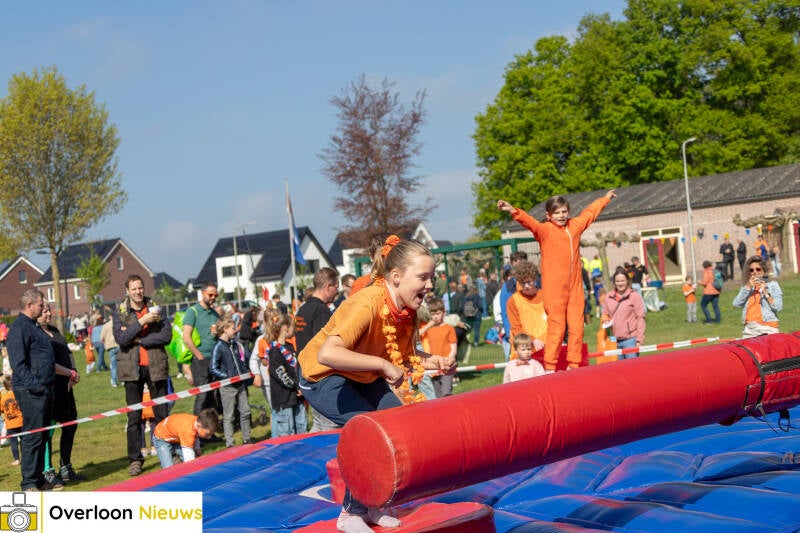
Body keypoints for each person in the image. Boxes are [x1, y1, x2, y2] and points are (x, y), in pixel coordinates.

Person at [297, 236, 453, 532]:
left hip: (361, 373)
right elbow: (328, 354)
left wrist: (436, 361)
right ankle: (350, 514)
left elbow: (404, 356)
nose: (430, 285)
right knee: (369, 430)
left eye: (431, 277)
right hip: (321, 376)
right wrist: (382, 365)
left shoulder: (406, 312)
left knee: (395, 425)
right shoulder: (366, 303)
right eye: (423, 277)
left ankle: (372, 506)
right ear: (396, 277)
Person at [497, 191, 615, 372]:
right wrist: (513, 210)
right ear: (548, 215)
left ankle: (574, 364)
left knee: (577, 326)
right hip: (554, 290)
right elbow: (530, 223)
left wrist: (605, 199)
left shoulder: (574, 226)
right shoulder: (545, 231)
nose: (561, 216)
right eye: (557, 213)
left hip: (575, 288)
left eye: (564, 212)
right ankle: (550, 366)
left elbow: (590, 213)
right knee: (557, 327)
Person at [112, 275, 173, 476]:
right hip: (131, 370)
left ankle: (169, 451)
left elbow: (166, 336)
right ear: (127, 291)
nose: (138, 292)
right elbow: (121, 338)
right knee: (134, 417)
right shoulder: (120, 312)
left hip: (156, 366)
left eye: (140, 288)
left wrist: (141, 341)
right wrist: (142, 321)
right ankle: (135, 459)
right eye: (134, 289)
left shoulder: (156, 308)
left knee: (161, 413)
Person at [7, 289, 58, 491]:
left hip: (45, 389)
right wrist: (36, 386)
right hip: (31, 391)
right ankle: (28, 482)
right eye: (40, 304)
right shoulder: (19, 328)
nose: (42, 307)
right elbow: (18, 364)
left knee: (43, 436)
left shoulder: (34, 326)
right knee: (32, 436)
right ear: (30, 305)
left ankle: (38, 479)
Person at [38, 302, 86, 486]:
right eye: (44, 311)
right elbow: (47, 364)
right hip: (50, 390)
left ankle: (65, 467)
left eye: (49, 310)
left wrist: (73, 371)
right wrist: (68, 373)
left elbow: (68, 354)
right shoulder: (38, 335)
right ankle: (47, 470)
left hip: (66, 388)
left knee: (70, 425)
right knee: (48, 432)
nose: (48, 313)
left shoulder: (55, 332)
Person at [294, 267, 341, 433]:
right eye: (336, 287)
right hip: (320, 376)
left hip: (305, 373)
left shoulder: (303, 310)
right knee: (330, 426)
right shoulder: (321, 311)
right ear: (328, 286)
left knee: (318, 424)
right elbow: (325, 346)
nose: (337, 292)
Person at [210, 316, 252, 447]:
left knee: (245, 411)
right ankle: (230, 443)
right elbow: (213, 368)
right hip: (228, 386)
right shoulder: (218, 346)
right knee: (229, 415)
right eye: (233, 328)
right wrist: (227, 377)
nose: (235, 330)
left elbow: (240, 360)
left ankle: (247, 439)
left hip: (241, 384)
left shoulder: (234, 344)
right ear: (225, 329)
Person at [183, 281, 221, 418]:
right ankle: (196, 429)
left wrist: (218, 333)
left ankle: (210, 430)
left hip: (214, 359)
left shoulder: (214, 314)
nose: (213, 297)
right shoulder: (192, 312)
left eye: (215, 295)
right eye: (210, 294)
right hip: (201, 360)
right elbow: (186, 337)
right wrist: (199, 356)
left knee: (214, 395)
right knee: (203, 395)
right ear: (202, 293)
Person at [266, 313, 306, 437]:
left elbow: (296, 368)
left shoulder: (289, 346)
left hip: (297, 397)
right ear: (285, 328)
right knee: (287, 432)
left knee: (301, 427)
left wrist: (300, 385)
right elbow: (281, 375)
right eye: (292, 327)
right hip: (284, 399)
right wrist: (296, 387)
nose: (294, 330)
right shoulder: (274, 351)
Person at [506, 260, 548, 364]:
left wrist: (546, 340)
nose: (526, 286)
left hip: (547, 345)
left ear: (534, 279)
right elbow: (516, 328)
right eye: (522, 283)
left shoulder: (546, 296)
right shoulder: (513, 301)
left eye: (529, 282)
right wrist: (533, 340)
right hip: (524, 349)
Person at [732, 255, 783, 338]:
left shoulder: (773, 285)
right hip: (749, 330)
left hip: (767, 328)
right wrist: (748, 287)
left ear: (763, 270)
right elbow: (736, 304)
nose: (755, 272)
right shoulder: (747, 287)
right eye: (751, 270)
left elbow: (778, 307)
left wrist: (766, 292)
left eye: (758, 269)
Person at [152, 409, 219, 469]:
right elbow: (189, 460)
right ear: (199, 425)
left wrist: (197, 449)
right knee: (169, 469)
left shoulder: (196, 421)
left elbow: (195, 436)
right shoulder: (188, 430)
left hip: (176, 436)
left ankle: (175, 459)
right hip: (161, 438)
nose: (209, 437)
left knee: (194, 458)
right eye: (207, 434)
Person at [601, 267, 646, 358]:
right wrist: (605, 320)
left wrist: (639, 340)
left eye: (622, 281)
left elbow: (640, 318)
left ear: (627, 281)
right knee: (617, 371)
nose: (620, 283)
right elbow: (605, 313)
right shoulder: (608, 297)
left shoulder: (634, 296)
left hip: (630, 340)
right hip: (613, 341)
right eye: (617, 281)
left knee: (632, 369)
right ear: (614, 282)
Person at [419, 298, 457, 398]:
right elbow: (418, 335)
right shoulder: (429, 329)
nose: (435, 317)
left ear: (444, 313)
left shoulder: (449, 328)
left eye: (438, 313)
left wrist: (451, 358)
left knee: (446, 393)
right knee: (438, 395)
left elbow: (453, 347)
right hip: (433, 366)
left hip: (447, 365)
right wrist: (429, 325)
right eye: (433, 314)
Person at [1, 376, 22, 466]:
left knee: (13, 443)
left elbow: (1, 409)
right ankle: (25, 457)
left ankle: (17, 459)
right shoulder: (19, 394)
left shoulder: (3, 398)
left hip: (10, 424)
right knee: (24, 440)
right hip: (21, 422)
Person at [698, 260, 721, 324]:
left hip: (708, 292)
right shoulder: (716, 271)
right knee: (715, 306)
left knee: (703, 305)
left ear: (704, 266)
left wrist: (699, 282)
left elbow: (705, 282)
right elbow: (720, 281)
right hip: (716, 291)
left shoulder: (706, 271)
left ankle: (709, 320)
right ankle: (718, 320)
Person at [100, 315, 120, 387]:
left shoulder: (105, 326)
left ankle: (114, 382)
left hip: (110, 346)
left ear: (110, 317)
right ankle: (123, 380)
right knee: (121, 364)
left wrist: (105, 342)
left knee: (113, 365)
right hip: (119, 345)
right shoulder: (119, 324)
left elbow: (101, 338)